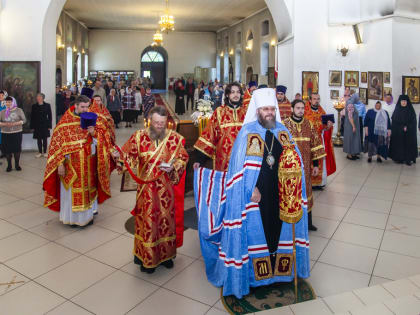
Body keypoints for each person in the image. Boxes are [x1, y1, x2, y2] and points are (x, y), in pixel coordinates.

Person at [195, 88, 309, 298]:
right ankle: (257, 276)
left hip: (280, 194)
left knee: (277, 229)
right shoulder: (247, 133)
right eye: (265, 109)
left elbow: (296, 162)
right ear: (257, 110)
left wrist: (292, 185)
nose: (269, 113)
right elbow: (238, 170)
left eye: (272, 109)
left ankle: (279, 272)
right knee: (259, 231)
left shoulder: (283, 131)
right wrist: (250, 188)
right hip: (255, 197)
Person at [117, 106, 189, 273]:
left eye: (162, 123)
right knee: (148, 223)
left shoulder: (174, 138)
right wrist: (119, 159)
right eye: (156, 122)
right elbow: (127, 156)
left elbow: (183, 157)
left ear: (167, 122)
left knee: (165, 222)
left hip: (165, 190)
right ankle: (146, 257)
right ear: (150, 121)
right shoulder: (138, 137)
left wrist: (174, 167)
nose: (158, 126)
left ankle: (166, 256)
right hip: (146, 191)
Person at [43, 95, 115, 226]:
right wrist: (59, 164)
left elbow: (104, 139)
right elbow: (56, 145)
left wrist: (94, 133)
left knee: (88, 192)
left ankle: (87, 218)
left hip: (88, 164)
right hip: (71, 166)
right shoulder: (65, 123)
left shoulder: (93, 119)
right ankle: (71, 219)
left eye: (87, 107)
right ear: (75, 106)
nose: (85, 110)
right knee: (71, 195)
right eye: (82, 107)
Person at [283, 99, 326, 231]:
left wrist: (316, 165)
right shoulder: (284, 125)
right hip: (289, 167)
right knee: (291, 193)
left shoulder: (309, 124)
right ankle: (290, 223)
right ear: (292, 109)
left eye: (302, 108)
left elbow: (315, 146)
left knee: (306, 192)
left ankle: (308, 222)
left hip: (306, 167)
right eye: (298, 108)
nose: (300, 110)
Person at [194, 82, 247, 171]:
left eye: (238, 92)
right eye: (232, 92)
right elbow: (209, 136)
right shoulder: (219, 112)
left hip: (242, 161)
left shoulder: (246, 112)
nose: (236, 95)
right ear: (227, 95)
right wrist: (199, 160)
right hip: (223, 161)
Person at [305, 94, 336, 189]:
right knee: (308, 160)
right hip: (308, 140)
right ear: (310, 100)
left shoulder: (322, 111)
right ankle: (307, 182)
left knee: (320, 160)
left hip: (318, 140)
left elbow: (324, 127)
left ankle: (319, 183)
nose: (316, 101)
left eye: (318, 99)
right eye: (314, 99)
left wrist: (329, 126)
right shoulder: (305, 111)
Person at [389, 95, 418, 165]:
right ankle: (399, 158)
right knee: (399, 144)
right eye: (402, 101)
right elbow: (394, 122)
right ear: (400, 102)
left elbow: (413, 122)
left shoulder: (411, 110)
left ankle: (408, 159)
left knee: (408, 145)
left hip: (409, 133)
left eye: (405, 101)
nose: (404, 103)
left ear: (407, 102)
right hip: (399, 132)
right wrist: (401, 127)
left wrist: (407, 127)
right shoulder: (397, 110)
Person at [0, 97, 26, 172]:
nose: (8, 104)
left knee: (17, 149)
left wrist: (16, 123)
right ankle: (9, 165)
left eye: (10, 102)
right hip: (6, 134)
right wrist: (4, 124)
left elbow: (24, 120)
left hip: (17, 133)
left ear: (13, 102)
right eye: (7, 102)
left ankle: (17, 165)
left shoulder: (19, 110)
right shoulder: (2, 112)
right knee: (7, 151)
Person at [30, 93, 52, 158]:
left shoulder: (47, 105)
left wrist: (49, 126)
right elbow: (32, 117)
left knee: (45, 139)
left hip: (45, 124)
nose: (38, 98)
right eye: (37, 97)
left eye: (39, 96)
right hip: (37, 125)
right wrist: (32, 126)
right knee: (39, 139)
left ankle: (45, 152)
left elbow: (50, 116)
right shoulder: (34, 106)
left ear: (42, 98)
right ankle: (39, 152)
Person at [343, 95, 362, 160]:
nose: (358, 100)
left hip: (352, 125)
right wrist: (353, 126)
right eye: (358, 98)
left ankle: (353, 153)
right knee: (350, 139)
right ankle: (349, 154)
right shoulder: (350, 104)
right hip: (350, 125)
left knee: (354, 139)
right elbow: (350, 116)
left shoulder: (351, 103)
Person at [0, 90, 7, 160]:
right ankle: (3, 152)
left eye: (1, 95)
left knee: (4, 139)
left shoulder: (6, 104)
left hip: (4, 124)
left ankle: (5, 153)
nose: (0, 96)